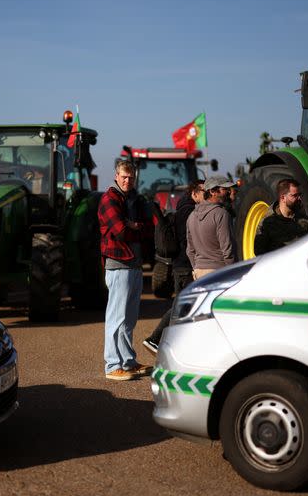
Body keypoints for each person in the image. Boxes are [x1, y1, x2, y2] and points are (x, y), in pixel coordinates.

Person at [98, 159, 154, 381]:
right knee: (116, 317)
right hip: (119, 264)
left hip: (135, 263)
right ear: (116, 176)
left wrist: (135, 226)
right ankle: (112, 366)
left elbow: (149, 228)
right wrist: (133, 226)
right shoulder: (109, 199)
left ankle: (128, 361)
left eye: (131, 177)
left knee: (129, 318)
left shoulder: (133, 199)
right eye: (123, 176)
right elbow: (120, 231)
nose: (127, 180)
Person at [142, 179, 205, 354]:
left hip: (181, 264)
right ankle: (155, 339)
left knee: (183, 306)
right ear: (194, 193)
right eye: (203, 192)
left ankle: (166, 343)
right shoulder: (189, 212)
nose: (206, 195)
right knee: (182, 306)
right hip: (184, 265)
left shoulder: (182, 209)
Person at [186, 175, 236, 280]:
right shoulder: (221, 214)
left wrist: (197, 268)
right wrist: (233, 272)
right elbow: (228, 249)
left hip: (199, 272)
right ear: (213, 191)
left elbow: (190, 250)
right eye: (224, 189)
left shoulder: (191, 216)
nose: (229, 192)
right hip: (219, 272)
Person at [254, 178, 308, 255]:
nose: (299, 198)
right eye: (295, 195)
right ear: (283, 198)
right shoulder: (268, 223)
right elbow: (259, 253)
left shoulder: (303, 218)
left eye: (299, 195)